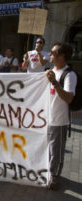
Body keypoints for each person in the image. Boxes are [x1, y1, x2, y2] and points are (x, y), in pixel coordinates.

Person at [46, 42, 77, 190]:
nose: (50, 54)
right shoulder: (49, 71)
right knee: (48, 149)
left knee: (56, 151)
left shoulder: (69, 75)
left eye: (53, 52)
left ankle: (55, 176)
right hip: (45, 119)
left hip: (59, 119)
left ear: (62, 55)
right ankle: (47, 171)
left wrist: (54, 82)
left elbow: (69, 98)